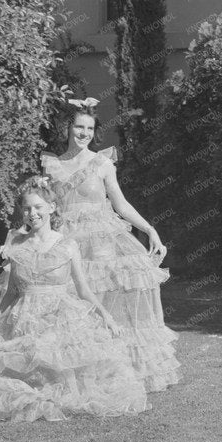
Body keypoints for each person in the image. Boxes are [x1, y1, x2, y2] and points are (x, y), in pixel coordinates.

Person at [0, 177, 149, 421]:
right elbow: (11, 293)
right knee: (10, 366)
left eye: (38, 207)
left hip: (60, 316)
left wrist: (107, 317)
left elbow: (83, 290)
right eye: (27, 208)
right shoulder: (15, 243)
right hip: (24, 316)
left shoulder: (68, 245)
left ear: (52, 207)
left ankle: (59, 392)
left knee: (63, 368)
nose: (32, 213)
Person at [43, 101, 181, 392]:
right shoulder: (51, 164)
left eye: (90, 129)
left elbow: (120, 203)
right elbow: (43, 208)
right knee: (67, 305)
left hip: (102, 243)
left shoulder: (102, 163)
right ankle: (71, 372)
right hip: (65, 242)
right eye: (79, 126)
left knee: (106, 304)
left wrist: (149, 229)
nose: (84, 133)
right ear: (67, 127)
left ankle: (112, 371)